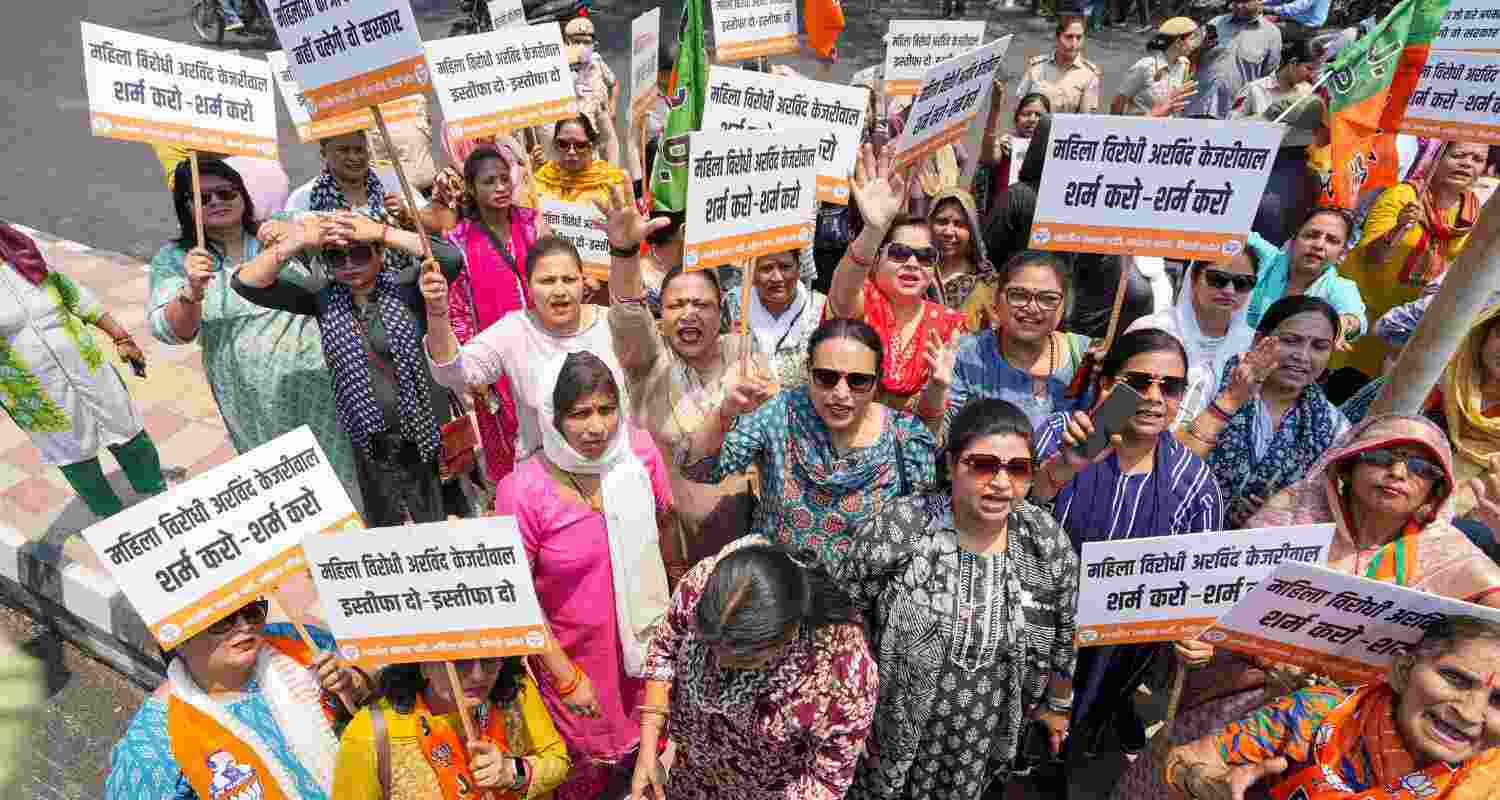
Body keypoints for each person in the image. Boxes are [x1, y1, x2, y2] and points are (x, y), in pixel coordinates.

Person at [1117, 411, 1500, 799]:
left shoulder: (1455, 559)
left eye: (1420, 467)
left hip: (1365, 729)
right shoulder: (1291, 516)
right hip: (1247, 703)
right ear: (1348, 466)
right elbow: (1211, 601)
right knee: (1181, 779)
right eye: (1382, 457)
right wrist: (1202, 639)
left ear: (1435, 490)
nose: (1399, 472)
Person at [832, 398, 1079, 799]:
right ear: (950, 464)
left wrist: (1057, 705)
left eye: (1017, 469)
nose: (1001, 482)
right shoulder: (902, 526)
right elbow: (841, 617)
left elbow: (1065, 632)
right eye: (983, 465)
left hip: (977, 746)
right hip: (889, 728)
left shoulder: (1045, 543)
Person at [487, 351, 673, 799]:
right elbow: (517, 598)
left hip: (645, 663)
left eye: (607, 410)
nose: (597, 428)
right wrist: (565, 677)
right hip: (571, 674)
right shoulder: (523, 492)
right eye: (579, 413)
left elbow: (663, 530)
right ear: (552, 416)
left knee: (650, 777)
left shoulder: (639, 455)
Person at [1032, 328, 1223, 761]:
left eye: (1170, 386)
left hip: (1114, 665)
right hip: (1028, 641)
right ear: (1107, 385)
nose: (1154, 396)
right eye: (1138, 382)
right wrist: (1063, 467)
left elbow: (1198, 587)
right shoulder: (1059, 435)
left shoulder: (1194, 483)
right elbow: (1006, 516)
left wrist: (1197, 638)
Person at [149, 158, 360, 506]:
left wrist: (296, 236)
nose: (216, 202)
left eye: (225, 192)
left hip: (321, 382)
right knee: (287, 481)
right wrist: (190, 291)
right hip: (252, 396)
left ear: (243, 196)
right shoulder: (176, 258)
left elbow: (346, 229)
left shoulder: (277, 227)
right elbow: (170, 332)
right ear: (186, 208)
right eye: (202, 198)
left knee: (343, 470)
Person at [233, 211, 464, 527]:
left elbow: (449, 258)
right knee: (389, 532)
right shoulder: (322, 297)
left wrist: (382, 232)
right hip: (370, 440)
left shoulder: (409, 286)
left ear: (379, 253)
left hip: (424, 433)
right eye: (336, 257)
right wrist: (299, 239)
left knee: (443, 524)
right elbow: (246, 283)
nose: (349, 265)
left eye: (358, 252)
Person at [681, 318, 940, 570]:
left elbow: (919, 535)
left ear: (876, 382)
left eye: (858, 381)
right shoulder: (780, 412)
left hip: (860, 607)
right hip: (778, 593)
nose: (841, 393)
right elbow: (699, 470)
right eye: (827, 378)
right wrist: (724, 414)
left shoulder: (905, 439)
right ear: (808, 372)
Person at [628, 541, 879, 800]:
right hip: (691, 772)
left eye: (739, 659)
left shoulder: (840, 674)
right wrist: (648, 744)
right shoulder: (707, 585)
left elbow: (826, 781)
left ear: (788, 634)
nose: (718, 663)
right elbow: (665, 650)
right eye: (707, 646)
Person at [595, 187, 759, 576]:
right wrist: (623, 254)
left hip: (750, 549)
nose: (689, 314)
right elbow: (628, 317)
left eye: (701, 304)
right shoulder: (650, 365)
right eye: (676, 305)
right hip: (675, 555)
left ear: (722, 314)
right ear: (661, 316)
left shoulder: (745, 355)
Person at [1163, 615, 1500, 800]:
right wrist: (1210, 786)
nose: (1470, 714)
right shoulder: (1319, 714)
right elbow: (1184, 760)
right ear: (1402, 672)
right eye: (1455, 678)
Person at [104, 599, 371, 800]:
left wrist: (355, 684)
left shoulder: (301, 642)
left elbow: (389, 686)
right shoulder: (154, 743)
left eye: (252, 612)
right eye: (223, 620)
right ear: (176, 638)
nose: (245, 627)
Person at [423, 236, 624, 488]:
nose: (560, 290)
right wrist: (437, 313)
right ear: (528, 286)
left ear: (583, 282)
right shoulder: (514, 330)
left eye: (569, 280)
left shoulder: (614, 325)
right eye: (547, 281)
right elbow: (454, 373)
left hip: (614, 476)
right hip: (546, 485)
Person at [0, 222, 165, 518]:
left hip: (89, 368)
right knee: (75, 456)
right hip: (34, 396)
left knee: (128, 432)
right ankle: (112, 523)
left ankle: (158, 492)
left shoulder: (20, 255)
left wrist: (121, 337)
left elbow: (76, 297)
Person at [827, 145, 968, 422]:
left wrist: (938, 388)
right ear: (877, 258)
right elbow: (843, 293)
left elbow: (936, 421)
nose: (913, 264)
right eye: (900, 253)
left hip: (908, 450)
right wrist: (873, 231)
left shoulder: (948, 324)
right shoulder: (862, 301)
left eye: (926, 256)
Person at [1187, 296, 1351, 528]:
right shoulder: (1208, 382)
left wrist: (1279, 512)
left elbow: (1331, 507)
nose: (1302, 356)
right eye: (1291, 341)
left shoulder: (1333, 426)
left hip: (1263, 551)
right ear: (1259, 340)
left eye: (1319, 346)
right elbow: (1172, 460)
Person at [444, 145, 549, 486]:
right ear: (472, 189)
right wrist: (473, 367)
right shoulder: (458, 241)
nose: (501, 187)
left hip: (544, 347)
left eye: (505, 179)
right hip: (495, 364)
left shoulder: (533, 223)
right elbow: (457, 307)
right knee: (510, 451)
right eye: (490, 181)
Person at [1339, 141, 1488, 379]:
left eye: (1477, 159)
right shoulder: (1404, 196)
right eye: (1459, 155)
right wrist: (1398, 229)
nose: (1467, 163)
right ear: (1436, 158)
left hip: (1408, 334)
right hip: (1362, 321)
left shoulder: (1473, 214)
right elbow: (1372, 257)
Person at [335, 657, 570, 799]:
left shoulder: (512, 693)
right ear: (423, 665)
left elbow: (558, 759)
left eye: (489, 660)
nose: (479, 676)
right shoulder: (370, 730)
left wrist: (513, 772)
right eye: (460, 662)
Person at [948, 251, 1090, 430]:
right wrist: (935, 395)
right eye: (1018, 295)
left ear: (1064, 306)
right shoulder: (965, 355)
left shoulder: (1088, 354)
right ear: (995, 298)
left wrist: (1109, 396)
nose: (1032, 308)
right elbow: (939, 441)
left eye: (1048, 299)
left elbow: (1110, 434)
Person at [1127, 251, 1259, 427]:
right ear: (1194, 279)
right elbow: (1119, 403)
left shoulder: (1253, 345)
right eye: (1217, 279)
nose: (1229, 290)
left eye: (1242, 283)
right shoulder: (1152, 328)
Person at [1235, 36, 1323, 244]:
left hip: (1296, 166)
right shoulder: (1255, 89)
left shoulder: (1310, 94)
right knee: (1266, 219)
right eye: (1309, 69)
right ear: (1293, 64)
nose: (1313, 75)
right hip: (1260, 166)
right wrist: (1267, 119)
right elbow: (1232, 129)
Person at [1244, 206, 1367, 344]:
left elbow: (1356, 319)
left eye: (1332, 240)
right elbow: (1231, 232)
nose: (1319, 245)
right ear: (1292, 240)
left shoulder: (1341, 288)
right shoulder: (1265, 257)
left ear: (1342, 254)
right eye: (1311, 235)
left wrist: (1344, 323)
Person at [722, 249, 829, 388]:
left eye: (785, 267)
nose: (777, 278)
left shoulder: (820, 308)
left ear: (798, 268)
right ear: (752, 272)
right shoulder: (733, 305)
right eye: (766, 269)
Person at [1185, 0, 1282, 120]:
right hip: (1198, 105)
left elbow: (1267, 74)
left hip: (1235, 115)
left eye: (1245, 2)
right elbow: (1189, 58)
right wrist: (1200, 48)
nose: (1239, 5)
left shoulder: (1272, 34)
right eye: (1236, 1)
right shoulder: (1216, 23)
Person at [284, 131, 417, 217]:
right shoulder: (303, 197)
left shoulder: (391, 181)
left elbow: (434, 221)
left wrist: (406, 214)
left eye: (359, 150)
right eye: (344, 150)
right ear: (324, 155)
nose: (354, 158)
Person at [428, 131, 537, 234]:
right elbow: (451, 233)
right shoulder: (447, 180)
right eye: (488, 182)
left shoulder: (506, 153)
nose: (501, 188)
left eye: (504, 178)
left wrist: (531, 167)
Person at [975, 92, 1050, 221]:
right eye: (1026, 114)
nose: (1032, 119)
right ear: (1016, 118)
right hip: (1003, 218)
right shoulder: (1006, 144)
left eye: (1039, 115)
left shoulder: (1055, 151)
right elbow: (988, 158)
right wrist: (994, 110)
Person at [927, 188, 996, 322]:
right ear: (929, 224)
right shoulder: (916, 272)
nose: (948, 231)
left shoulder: (986, 281)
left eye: (959, 224)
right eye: (942, 221)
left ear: (972, 230)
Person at [533, 115, 628, 211]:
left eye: (580, 145)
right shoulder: (541, 178)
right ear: (555, 144)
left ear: (591, 147)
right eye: (563, 144)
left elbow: (628, 221)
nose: (571, 152)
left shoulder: (612, 180)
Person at [1113, 18, 1199, 116]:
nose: (1194, 45)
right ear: (1178, 42)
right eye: (1192, 39)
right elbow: (1117, 103)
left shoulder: (1184, 65)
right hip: (1139, 127)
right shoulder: (1146, 66)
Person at [1016, 16, 1101, 115]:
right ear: (1057, 38)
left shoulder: (1089, 74)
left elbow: (1086, 120)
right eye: (1069, 37)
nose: (1074, 43)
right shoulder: (1037, 67)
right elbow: (1019, 107)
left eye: (1079, 37)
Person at [563, 17, 618, 117]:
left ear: (594, 44)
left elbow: (614, 84)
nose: (582, 46)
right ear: (567, 43)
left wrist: (612, 106)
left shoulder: (597, 61)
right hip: (578, 128)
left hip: (601, 123)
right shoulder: (561, 69)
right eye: (576, 42)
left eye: (586, 42)